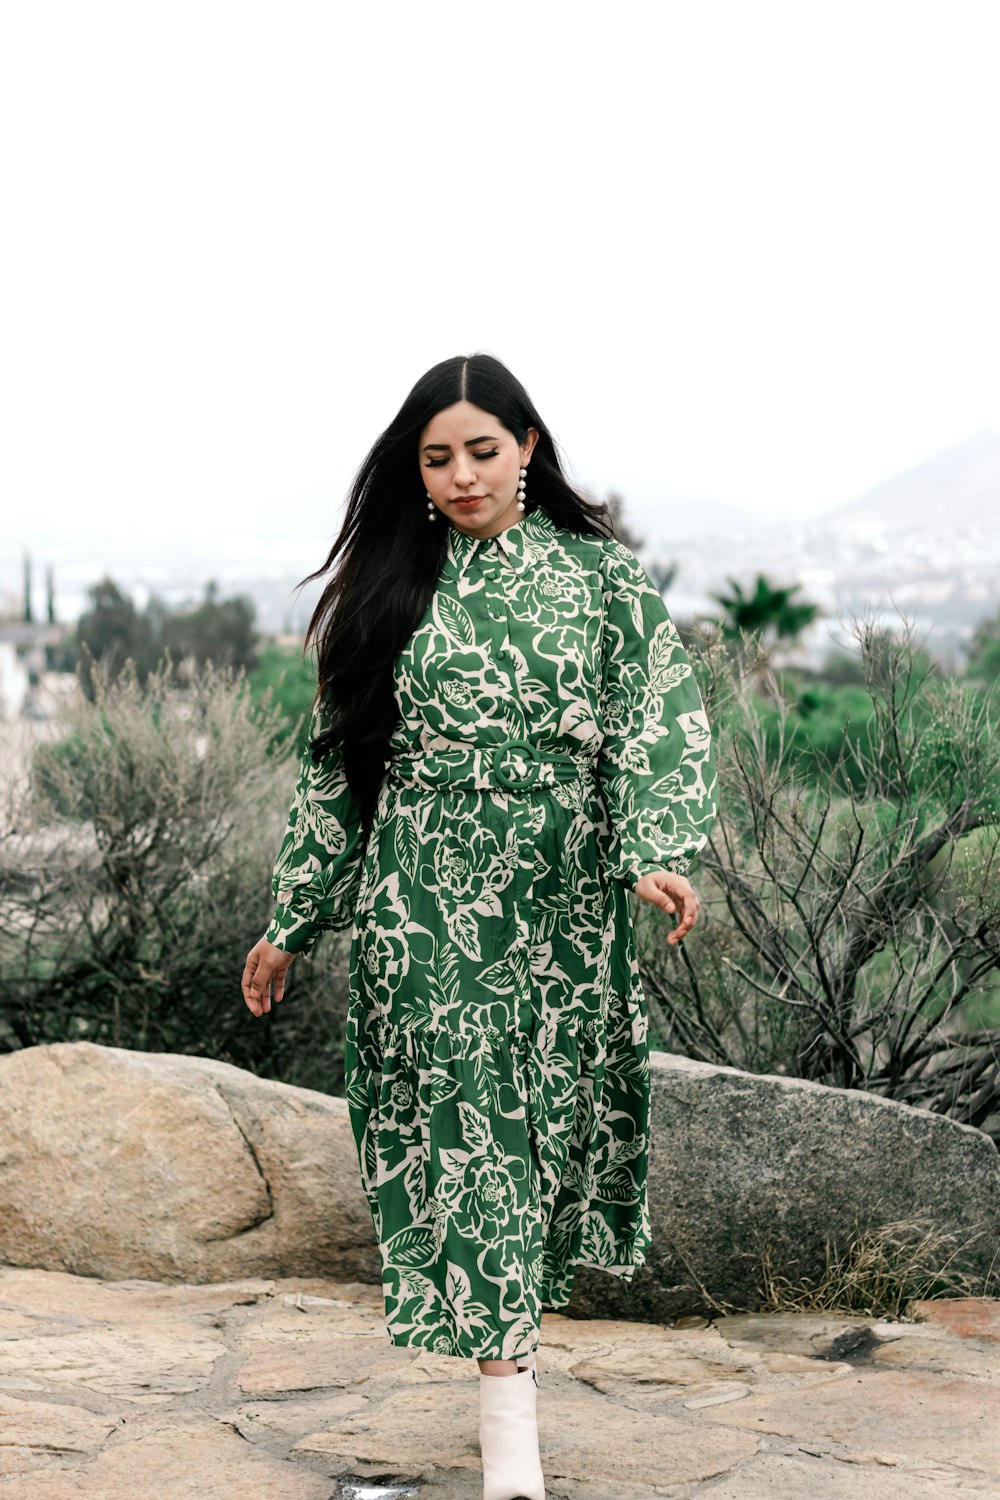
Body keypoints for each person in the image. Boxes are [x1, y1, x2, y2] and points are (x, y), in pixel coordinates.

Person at [241, 352, 719, 1500]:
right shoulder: (389, 589)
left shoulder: (602, 581)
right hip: (425, 904)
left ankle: (510, 1394)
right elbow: (337, 771)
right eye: (437, 457)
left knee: (539, 1130)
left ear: (530, 450)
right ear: (415, 470)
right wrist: (292, 918)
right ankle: (512, 1441)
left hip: (560, 899)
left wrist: (651, 848)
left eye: (483, 451)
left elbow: (658, 714)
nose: (461, 475)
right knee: (472, 1129)